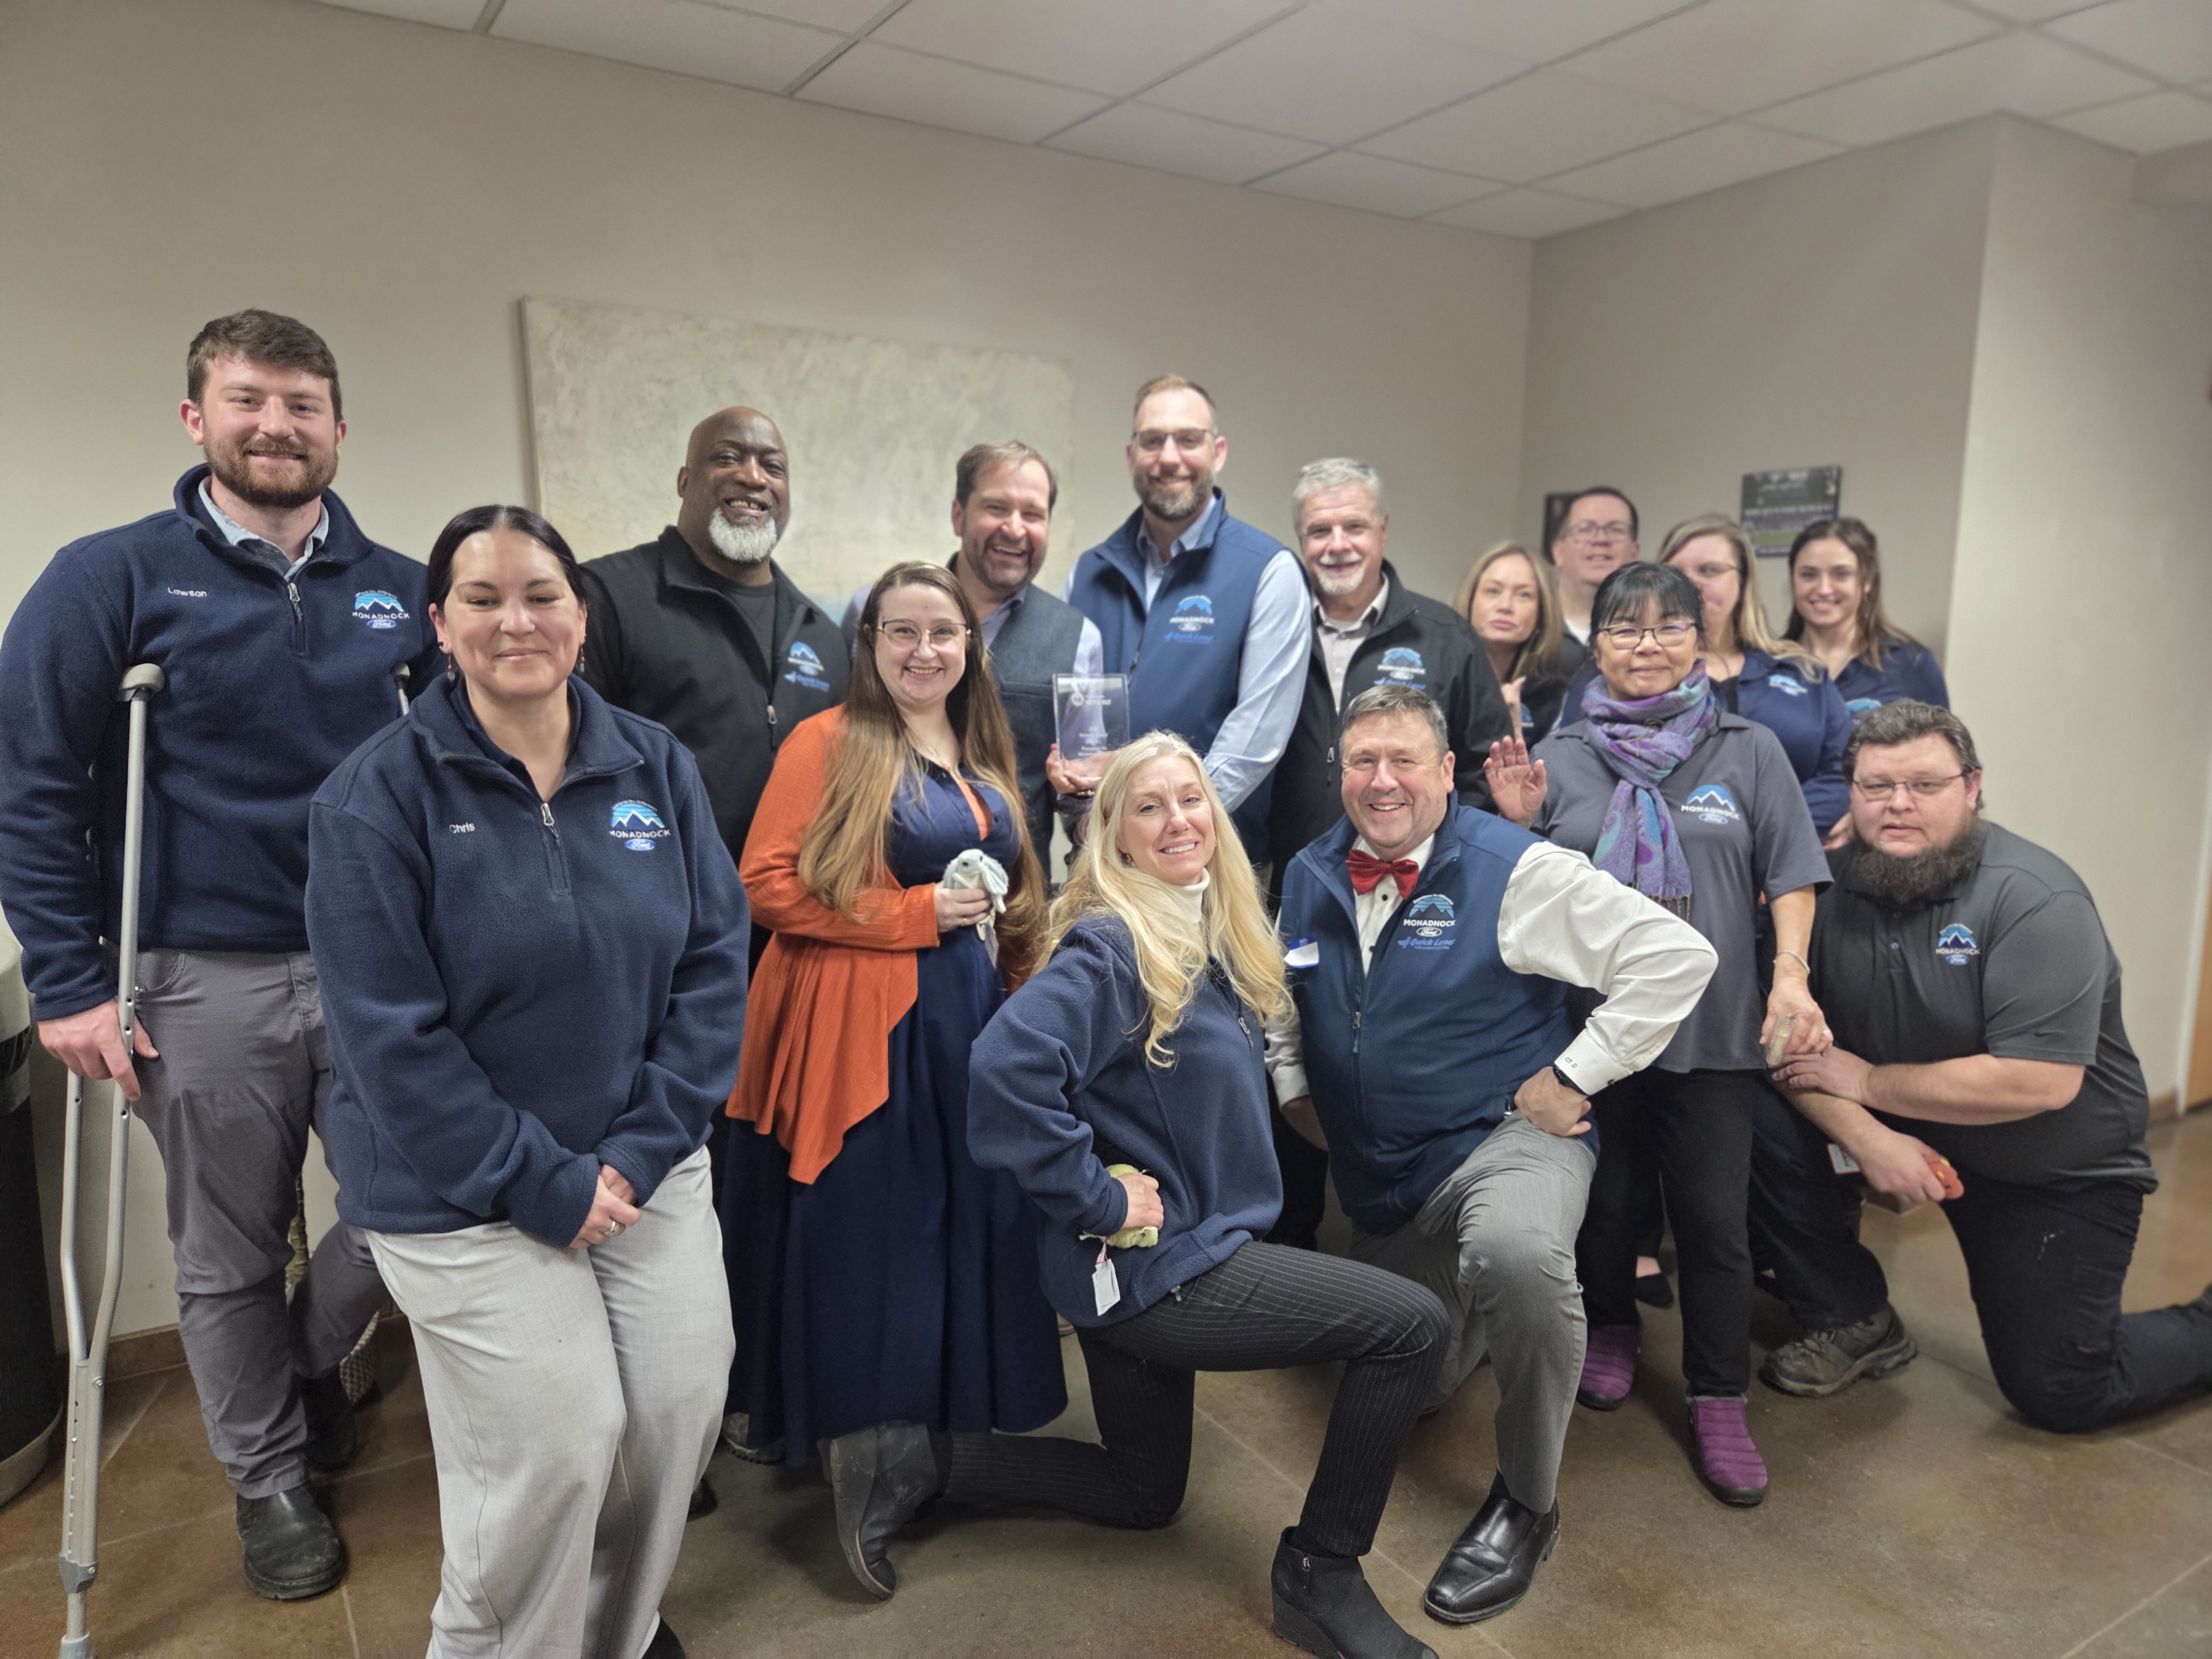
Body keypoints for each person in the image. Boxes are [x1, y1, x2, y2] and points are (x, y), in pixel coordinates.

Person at [0, 310, 435, 1600]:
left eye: (303, 405)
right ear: (197, 418)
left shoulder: (404, 586)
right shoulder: (109, 577)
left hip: (375, 964)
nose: (276, 426)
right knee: (226, 1253)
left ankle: (302, 1361)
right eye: (249, 400)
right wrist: (68, 981)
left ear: (340, 428)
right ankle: (268, 1475)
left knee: (414, 1204)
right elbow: (32, 784)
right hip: (196, 975)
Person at [306, 506, 747, 1659]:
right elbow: (389, 1039)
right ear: (439, 624)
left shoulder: (654, 765)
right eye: (484, 598)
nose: (517, 621)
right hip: (461, 1188)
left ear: (581, 618)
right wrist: (539, 1182)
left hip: (639, 1164)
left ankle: (613, 1634)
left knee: (674, 1414)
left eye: (542, 595)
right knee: (555, 1447)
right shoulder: (374, 797)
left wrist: (637, 1153)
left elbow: (712, 969)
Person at [931, 732, 1450, 1659]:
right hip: (1163, 1269)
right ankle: (1322, 1572)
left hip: (1129, 1267)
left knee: (1145, 1492)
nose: (1177, 820)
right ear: (1114, 837)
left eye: (1191, 799)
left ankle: (912, 1460)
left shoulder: (1201, 929)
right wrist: (1097, 1196)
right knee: (1409, 1326)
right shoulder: (1116, 946)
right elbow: (1006, 1070)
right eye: (1149, 806)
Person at [1272, 686, 1714, 1625]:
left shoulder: (1517, 870)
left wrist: (1575, 1075)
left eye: (1404, 760)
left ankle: (1527, 1501)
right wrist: (1294, 1088)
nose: (1382, 781)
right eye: (1362, 760)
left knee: (1516, 1253)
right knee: (1412, 1387)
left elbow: (1677, 956)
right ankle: (1475, 1312)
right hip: (1389, 1181)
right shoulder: (1309, 874)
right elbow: (1285, 997)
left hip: (1504, 1140)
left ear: (1445, 772)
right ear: (1339, 771)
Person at [721, 561, 1064, 1599]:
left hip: (971, 1028)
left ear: (971, 648)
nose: (923, 650)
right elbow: (763, 883)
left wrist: (1026, 984)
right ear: (868, 644)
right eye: (901, 632)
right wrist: (912, 916)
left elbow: (1013, 884)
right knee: (878, 1243)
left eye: (942, 633)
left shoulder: (983, 747)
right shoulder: (826, 742)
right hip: (864, 1031)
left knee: (965, 1225)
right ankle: (868, 1475)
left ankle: (942, 1446)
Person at [1756, 701, 2212, 1429]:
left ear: (1972, 788)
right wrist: (1870, 1137)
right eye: (1877, 786)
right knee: (1742, 1110)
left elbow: (2039, 1081)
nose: (1898, 803)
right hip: (1909, 1134)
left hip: (2049, 1168)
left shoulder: (2035, 898)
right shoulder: (1821, 895)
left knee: (2062, 1390)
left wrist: (1868, 1084)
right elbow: (1785, 1047)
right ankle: (1852, 1314)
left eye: (1925, 785)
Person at [1486, 562, 1831, 1506]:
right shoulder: (1561, 753)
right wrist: (1521, 825)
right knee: (1605, 1208)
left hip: (1713, 1028)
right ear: (1595, 645)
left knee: (1716, 1225)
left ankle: (1718, 1395)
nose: (1647, 645)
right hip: (1594, 1032)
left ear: (1700, 637)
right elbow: (1530, 896)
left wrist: (1791, 974)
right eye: (1626, 629)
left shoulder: (1748, 748)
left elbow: (1792, 872)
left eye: (1668, 627)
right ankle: (1612, 1330)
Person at [1261, 457, 1509, 1249]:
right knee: (1294, 1058)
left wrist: (1436, 864)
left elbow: (1479, 769)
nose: (1336, 543)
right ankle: (1293, 1257)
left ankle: (1415, 1256)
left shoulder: (1443, 634)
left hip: (1417, 902)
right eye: (1318, 530)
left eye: (1353, 525)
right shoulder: (1271, 628)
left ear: (1383, 531)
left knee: (1399, 1061)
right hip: (1296, 890)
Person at [578, 404, 849, 893]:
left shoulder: (822, 636)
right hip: (661, 914)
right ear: (685, 481)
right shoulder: (606, 597)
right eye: (728, 458)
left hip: (791, 922)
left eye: (773, 467)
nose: (753, 477)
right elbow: (571, 766)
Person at [1062, 375, 1310, 851]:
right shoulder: (1087, 575)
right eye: (1153, 441)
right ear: (1131, 456)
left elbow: (1255, 738)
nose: (1170, 457)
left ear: (1218, 452)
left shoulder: (1268, 571)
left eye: (1188, 440)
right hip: (1099, 858)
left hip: (1210, 863)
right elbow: (1076, 731)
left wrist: (1162, 828)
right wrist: (1093, 826)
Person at [840, 440, 1103, 862]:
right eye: (997, 508)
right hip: (881, 881)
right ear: (958, 515)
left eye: (1033, 514)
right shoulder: (872, 612)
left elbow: (1083, 806)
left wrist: (1090, 803)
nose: (1015, 529)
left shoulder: (1080, 639)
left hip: (1014, 889)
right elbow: (837, 747)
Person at [1658, 515, 1850, 840]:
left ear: (1743, 581)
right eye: (1675, 573)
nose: (1689, 584)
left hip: (1792, 856)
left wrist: (1768, 835)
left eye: (1709, 570)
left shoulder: (1804, 673)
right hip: (1669, 854)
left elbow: (1844, 771)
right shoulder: (1631, 672)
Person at [1783, 517, 1949, 719]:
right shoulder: (1766, 665)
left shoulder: (1911, 665)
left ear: (1868, 581)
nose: (1824, 589)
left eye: (1841, 574)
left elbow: (1940, 739)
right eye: (1809, 575)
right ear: (1793, 579)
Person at [1453, 540, 1587, 745]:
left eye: (1524, 595)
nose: (1505, 606)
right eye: (1493, 591)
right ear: (1470, 600)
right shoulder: (1441, 676)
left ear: (1542, 612)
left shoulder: (1554, 696)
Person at [1542, 487, 1639, 644]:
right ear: (1559, 552)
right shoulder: (1527, 628)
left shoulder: (1653, 637)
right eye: (1585, 529)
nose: (1601, 539)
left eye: (1616, 530)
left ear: (1634, 553)